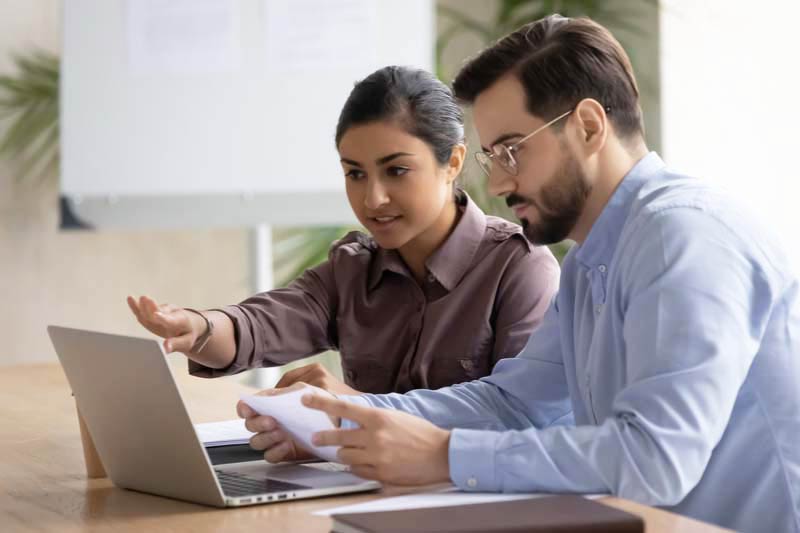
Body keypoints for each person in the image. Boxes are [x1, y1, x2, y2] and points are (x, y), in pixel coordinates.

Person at [240, 16, 800, 533]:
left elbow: (655, 460)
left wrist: (444, 455)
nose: (499, 185)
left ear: (586, 126)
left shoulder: (683, 236)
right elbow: (514, 403)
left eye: (511, 151)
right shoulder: (590, 258)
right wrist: (347, 421)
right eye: (492, 157)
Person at [128, 66, 559, 397]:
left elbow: (518, 414)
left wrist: (353, 411)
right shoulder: (352, 268)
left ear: (453, 162)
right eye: (355, 174)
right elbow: (263, 324)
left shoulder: (519, 269)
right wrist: (199, 327)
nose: (373, 199)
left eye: (397, 170)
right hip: (364, 496)